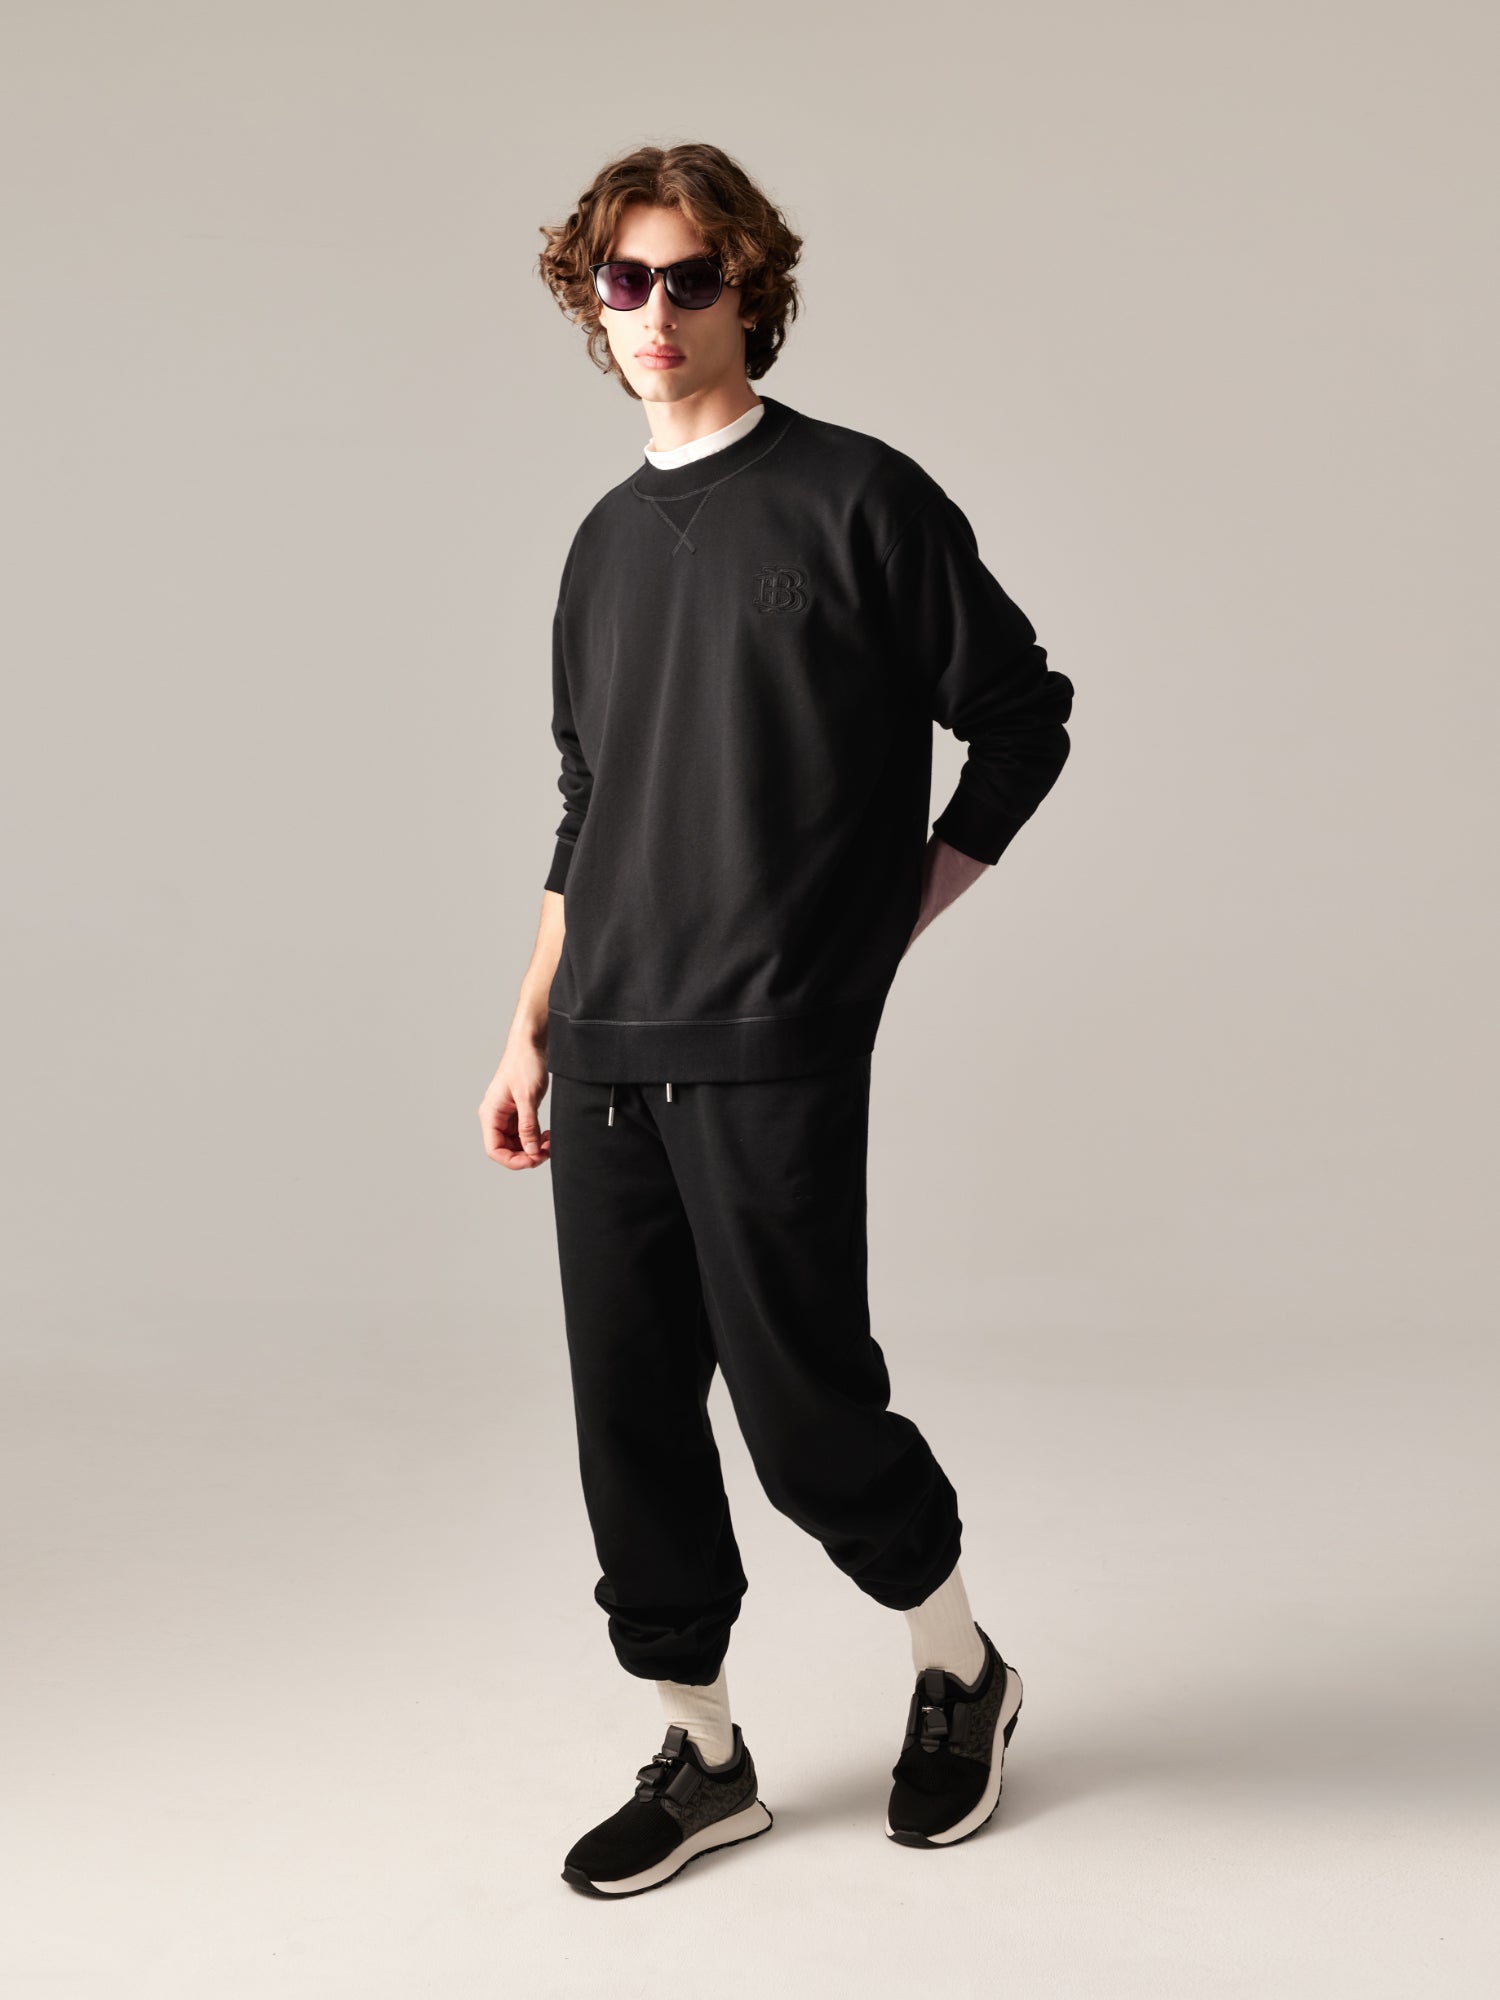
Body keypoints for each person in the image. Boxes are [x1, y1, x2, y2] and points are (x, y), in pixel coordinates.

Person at [478, 141, 1074, 1898]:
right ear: (592, 304)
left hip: (770, 1042)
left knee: (809, 1414)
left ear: (751, 291)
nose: (656, 312)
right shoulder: (601, 546)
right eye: (626, 281)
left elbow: (1022, 716)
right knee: (632, 1426)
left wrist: (887, 922)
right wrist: (526, 1026)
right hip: (604, 1050)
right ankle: (704, 1751)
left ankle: (960, 1668)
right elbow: (588, 806)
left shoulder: (858, 498)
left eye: (692, 278)